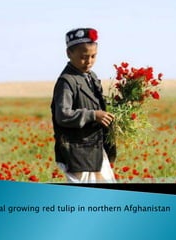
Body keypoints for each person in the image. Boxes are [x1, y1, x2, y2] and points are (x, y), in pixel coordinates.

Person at [51, 28, 117, 183]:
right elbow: (63, 115)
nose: (89, 61)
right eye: (83, 57)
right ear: (69, 53)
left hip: (94, 149)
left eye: (93, 56)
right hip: (77, 153)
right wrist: (93, 115)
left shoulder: (91, 77)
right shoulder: (67, 81)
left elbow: (96, 104)